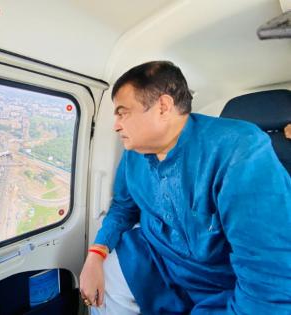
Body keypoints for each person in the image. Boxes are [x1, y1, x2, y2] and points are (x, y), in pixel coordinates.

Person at [79, 61, 291, 314]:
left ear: (163, 107)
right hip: (154, 259)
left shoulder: (240, 151)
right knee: (105, 287)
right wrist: (95, 255)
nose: (115, 125)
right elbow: (123, 208)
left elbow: (268, 279)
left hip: (221, 282)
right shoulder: (134, 153)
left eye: (123, 112)